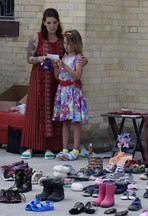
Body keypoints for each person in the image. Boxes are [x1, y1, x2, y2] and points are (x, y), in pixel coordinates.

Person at [21, 8, 87, 159]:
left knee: (53, 114)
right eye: (49, 23)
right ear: (44, 23)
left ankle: (50, 147)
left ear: (58, 23)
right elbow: (29, 58)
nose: (52, 26)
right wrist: (39, 59)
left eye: (55, 22)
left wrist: (85, 60)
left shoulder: (62, 39)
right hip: (39, 79)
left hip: (57, 82)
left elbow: (75, 55)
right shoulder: (37, 38)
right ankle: (30, 147)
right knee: (35, 111)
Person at [53, 30, 88, 161]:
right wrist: (56, 67)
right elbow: (57, 77)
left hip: (73, 91)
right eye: (65, 43)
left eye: (68, 44)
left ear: (76, 43)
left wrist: (65, 67)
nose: (66, 46)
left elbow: (77, 76)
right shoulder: (63, 57)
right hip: (62, 91)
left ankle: (76, 149)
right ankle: (64, 149)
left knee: (76, 121)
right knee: (65, 122)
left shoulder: (79, 58)